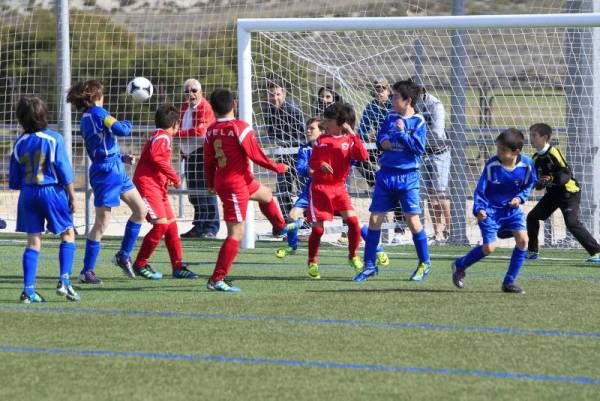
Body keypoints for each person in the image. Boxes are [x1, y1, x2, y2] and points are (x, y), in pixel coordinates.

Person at [204, 88, 292, 292]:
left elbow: (208, 161)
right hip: (234, 184)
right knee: (236, 233)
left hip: (238, 180)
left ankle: (279, 227)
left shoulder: (210, 130)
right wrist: (278, 167)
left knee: (266, 194)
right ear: (234, 104)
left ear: (213, 108)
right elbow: (256, 156)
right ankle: (217, 279)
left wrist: (210, 184)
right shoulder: (240, 127)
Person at [275, 117, 389, 269]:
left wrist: (371, 174)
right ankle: (292, 245)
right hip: (313, 190)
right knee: (292, 215)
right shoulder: (305, 149)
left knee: (355, 223)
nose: (308, 131)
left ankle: (378, 249)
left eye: (312, 128)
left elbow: (356, 159)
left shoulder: (334, 145)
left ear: (323, 131)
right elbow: (301, 169)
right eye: (307, 128)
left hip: (335, 192)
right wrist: (312, 169)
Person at [67, 79, 146, 284]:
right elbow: (121, 129)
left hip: (114, 168)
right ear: (95, 97)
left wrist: (121, 157)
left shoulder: (86, 118)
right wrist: (129, 122)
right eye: (101, 94)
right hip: (106, 173)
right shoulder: (98, 113)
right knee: (102, 223)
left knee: (140, 210)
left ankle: (123, 255)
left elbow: (100, 147)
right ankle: (87, 271)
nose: (104, 97)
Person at [353, 80, 431, 282]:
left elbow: (418, 148)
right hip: (386, 174)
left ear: (408, 101)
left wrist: (402, 135)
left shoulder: (419, 122)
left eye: (396, 97)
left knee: (412, 221)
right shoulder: (390, 117)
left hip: (408, 177)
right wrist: (385, 142)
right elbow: (381, 140)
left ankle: (424, 263)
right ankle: (369, 265)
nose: (392, 99)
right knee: (374, 220)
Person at [10, 96, 79, 302]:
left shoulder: (19, 142)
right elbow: (64, 170)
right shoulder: (53, 138)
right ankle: (64, 282)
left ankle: (28, 290)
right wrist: (72, 196)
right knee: (68, 234)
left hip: (27, 194)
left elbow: (14, 180)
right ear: (43, 115)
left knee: (33, 242)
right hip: (51, 192)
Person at [451, 128, 537, 294]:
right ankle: (460, 265)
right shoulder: (492, 165)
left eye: (503, 150)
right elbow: (480, 190)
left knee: (523, 241)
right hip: (490, 211)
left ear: (516, 152)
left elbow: (529, 184)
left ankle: (509, 282)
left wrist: (519, 198)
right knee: (490, 247)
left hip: (511, 211)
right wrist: (479, 209)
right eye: (498, 148)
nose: (498, 153)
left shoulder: (526, 165)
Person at [131, 104, 200, 280]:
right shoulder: (164, 137)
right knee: (161, 225)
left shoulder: (159, 136)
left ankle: (178, 267)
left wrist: (164, 178)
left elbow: (155, 161)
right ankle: (140, 263)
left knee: (171, 226)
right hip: (147, 187)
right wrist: (174, 177)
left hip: (156, 187)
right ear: (176, 124)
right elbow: (156, 158)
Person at [306, 102, 369, 279]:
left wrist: (354, 135)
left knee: (354, 222)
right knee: (318, 230)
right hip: (320, 189)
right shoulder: (321, 140)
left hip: (339, 189)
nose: (325, 124)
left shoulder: (349, 141)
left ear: (341, 123)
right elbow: (311, 167)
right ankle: (312, 261)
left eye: (329, 120)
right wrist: (320, 166)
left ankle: (352, 256)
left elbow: (363, 156)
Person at [526, 123, 600, 262]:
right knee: (532, 217)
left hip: (568, 193)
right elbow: (537, 181)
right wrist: (540, 183)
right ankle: (532, 251)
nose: (531, 138)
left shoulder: (554, 152)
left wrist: (552, 178)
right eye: (530, 135)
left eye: (534, 135)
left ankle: (597, 251)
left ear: (545, 137)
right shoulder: (535, 158)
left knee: (571, 223)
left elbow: (566, 173)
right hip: (553, 195)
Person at [357, 78, 409, 245]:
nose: (379, 91)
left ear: (389, 91)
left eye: (383, 88)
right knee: (357, 159)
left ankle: (400, 229)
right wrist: (369, 136)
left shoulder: (393, 107)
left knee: (398, 189)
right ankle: (375, 181)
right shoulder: (371, 107)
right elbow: (362, 131)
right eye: (377, 88)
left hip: (394, 149)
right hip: (377, 147)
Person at [178, 79, 219, 239]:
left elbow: (200, 132)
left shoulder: (205, 107)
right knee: (194, 193)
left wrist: (175, 135)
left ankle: (211, 227)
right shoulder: (184, 107)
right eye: (187, 91)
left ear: (200, 91)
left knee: (207, 190)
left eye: (194, 90)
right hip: (189, 154)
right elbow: (181, 127)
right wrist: (182, 150)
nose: (191, 94)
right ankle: (199, 226)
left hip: (203, 153)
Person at [262, 79, 305, 221]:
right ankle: (288, 221)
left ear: (284, 94)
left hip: (298, 155)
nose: (275, 98)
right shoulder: (268, 110)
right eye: (272, 95)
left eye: (278, 94)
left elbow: (303, 133)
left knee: (302, 190)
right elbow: (270, 133)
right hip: (283, 155)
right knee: (282, 190)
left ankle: (305, 222)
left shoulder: (293, 109)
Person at [417, 86, 451, 243]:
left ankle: (451, 230)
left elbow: (437, 132)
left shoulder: (435, 105)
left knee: (441, 194)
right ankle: (438, 232)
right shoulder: (412, 104)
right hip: (424, 153)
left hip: (439, 153)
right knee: (430, 196)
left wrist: (416, 134)